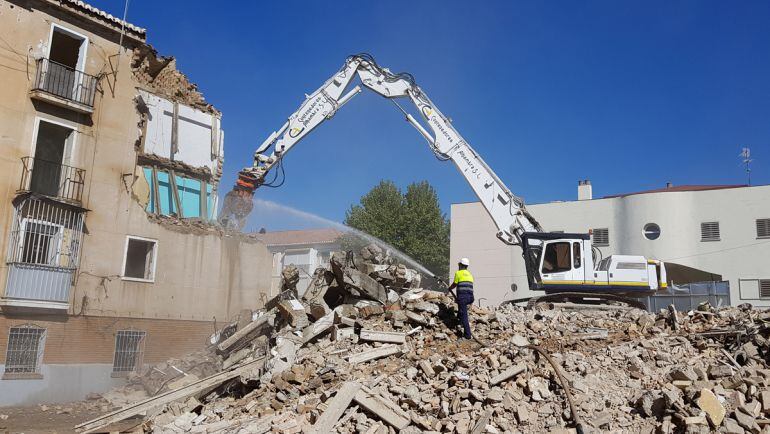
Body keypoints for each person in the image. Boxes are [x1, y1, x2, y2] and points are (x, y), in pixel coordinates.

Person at [447, 257, 474, 339]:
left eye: (459, 264)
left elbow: (455, 284)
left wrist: (449, 288)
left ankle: (467, 335)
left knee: (464, 315)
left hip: (463, 297)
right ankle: (459, 320)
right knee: (461, 310)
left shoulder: (458, 273)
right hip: (471, 298)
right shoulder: (470, 274)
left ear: (461, 265)